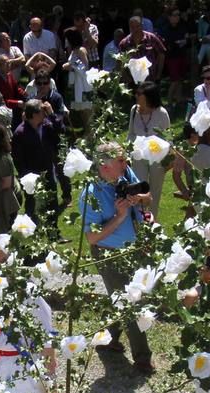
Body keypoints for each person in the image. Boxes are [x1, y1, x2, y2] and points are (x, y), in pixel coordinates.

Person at [79, 142, 154, 375]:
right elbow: (92, 237)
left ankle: (108, 339)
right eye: (120, 160)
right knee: (132, 303)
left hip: (134, 248)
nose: (126, 163)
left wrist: (139, 200)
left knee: (123, 299)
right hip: (108, 254)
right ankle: (143, 358)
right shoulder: (90, 195)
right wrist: (121, 216)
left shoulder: (124, 175)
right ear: (104, 166)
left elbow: (148, 197)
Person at [12, 99, 65, 234]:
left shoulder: (46, 124)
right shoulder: (20, 133)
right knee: (32, 206)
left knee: (52, 203)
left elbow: (61, 132)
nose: (45, 113)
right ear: (34, 114)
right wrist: (25, 177)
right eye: (42, 111)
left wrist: (52, 114)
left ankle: (53, 233)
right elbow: (18, 159)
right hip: (32, 177)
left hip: (47, 170)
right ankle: (32, 235)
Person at [127, 81, 171, 210]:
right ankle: (140, 220)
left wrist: (169, 158)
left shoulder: (161, 113)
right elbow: (130, 133)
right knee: (138, 189)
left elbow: (168, 137)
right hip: (139, 156)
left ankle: (152, 221)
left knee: (154, 191)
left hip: (157, 158)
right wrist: (128, 150)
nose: (136, 95)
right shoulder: (134, 110)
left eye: (140, 94)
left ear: (148, 97)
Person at [118, 15, 167, 84]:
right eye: (132, 27)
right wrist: (126, 78)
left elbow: (162, 54)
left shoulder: (151, 38)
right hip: (132, 82)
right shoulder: (124, 43)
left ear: (142, 25)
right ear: (129, 27)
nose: (135, 29)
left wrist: (158, 74)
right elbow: (120, 62)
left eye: (137, 26)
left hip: (151, 80)